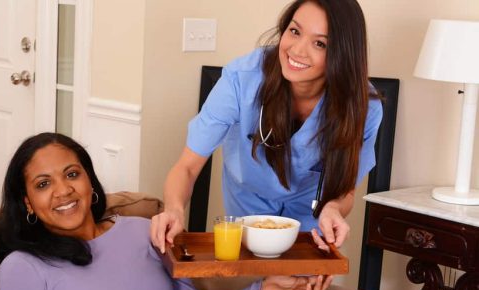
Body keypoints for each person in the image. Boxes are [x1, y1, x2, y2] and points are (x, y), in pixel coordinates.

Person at [0, 132, 332, 290]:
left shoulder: (144, 232)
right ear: (28, 204)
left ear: (89, 181)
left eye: (71, 174)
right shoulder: (23, 267)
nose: (63, 191)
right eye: (43, 184)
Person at [151, 0, 383, 254]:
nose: (297, 50)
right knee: (251, 284)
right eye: (295, 31)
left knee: (300, 286)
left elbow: (345, 188)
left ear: (343, 54)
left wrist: (333, 209)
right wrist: (173, 210)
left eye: (320, 43)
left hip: (308, 217)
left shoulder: (363, 107)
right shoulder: (242, 79)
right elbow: (187, 166)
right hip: (247, 206)